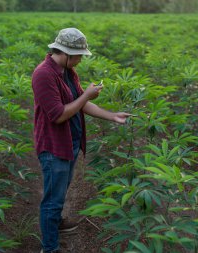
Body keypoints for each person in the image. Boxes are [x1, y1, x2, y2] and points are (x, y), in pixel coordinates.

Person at [32, 28, 131, 253]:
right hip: (53, 146)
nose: (80, 60)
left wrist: (112, 115)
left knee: (60, 192)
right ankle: (49, 248)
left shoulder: (68, 71)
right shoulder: (43, 74)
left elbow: (80, 103)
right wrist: (86, 95)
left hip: (70, 142)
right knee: (52, 200)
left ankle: (55, 224)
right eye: (78, 56)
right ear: (65, 53)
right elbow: (58, 115)